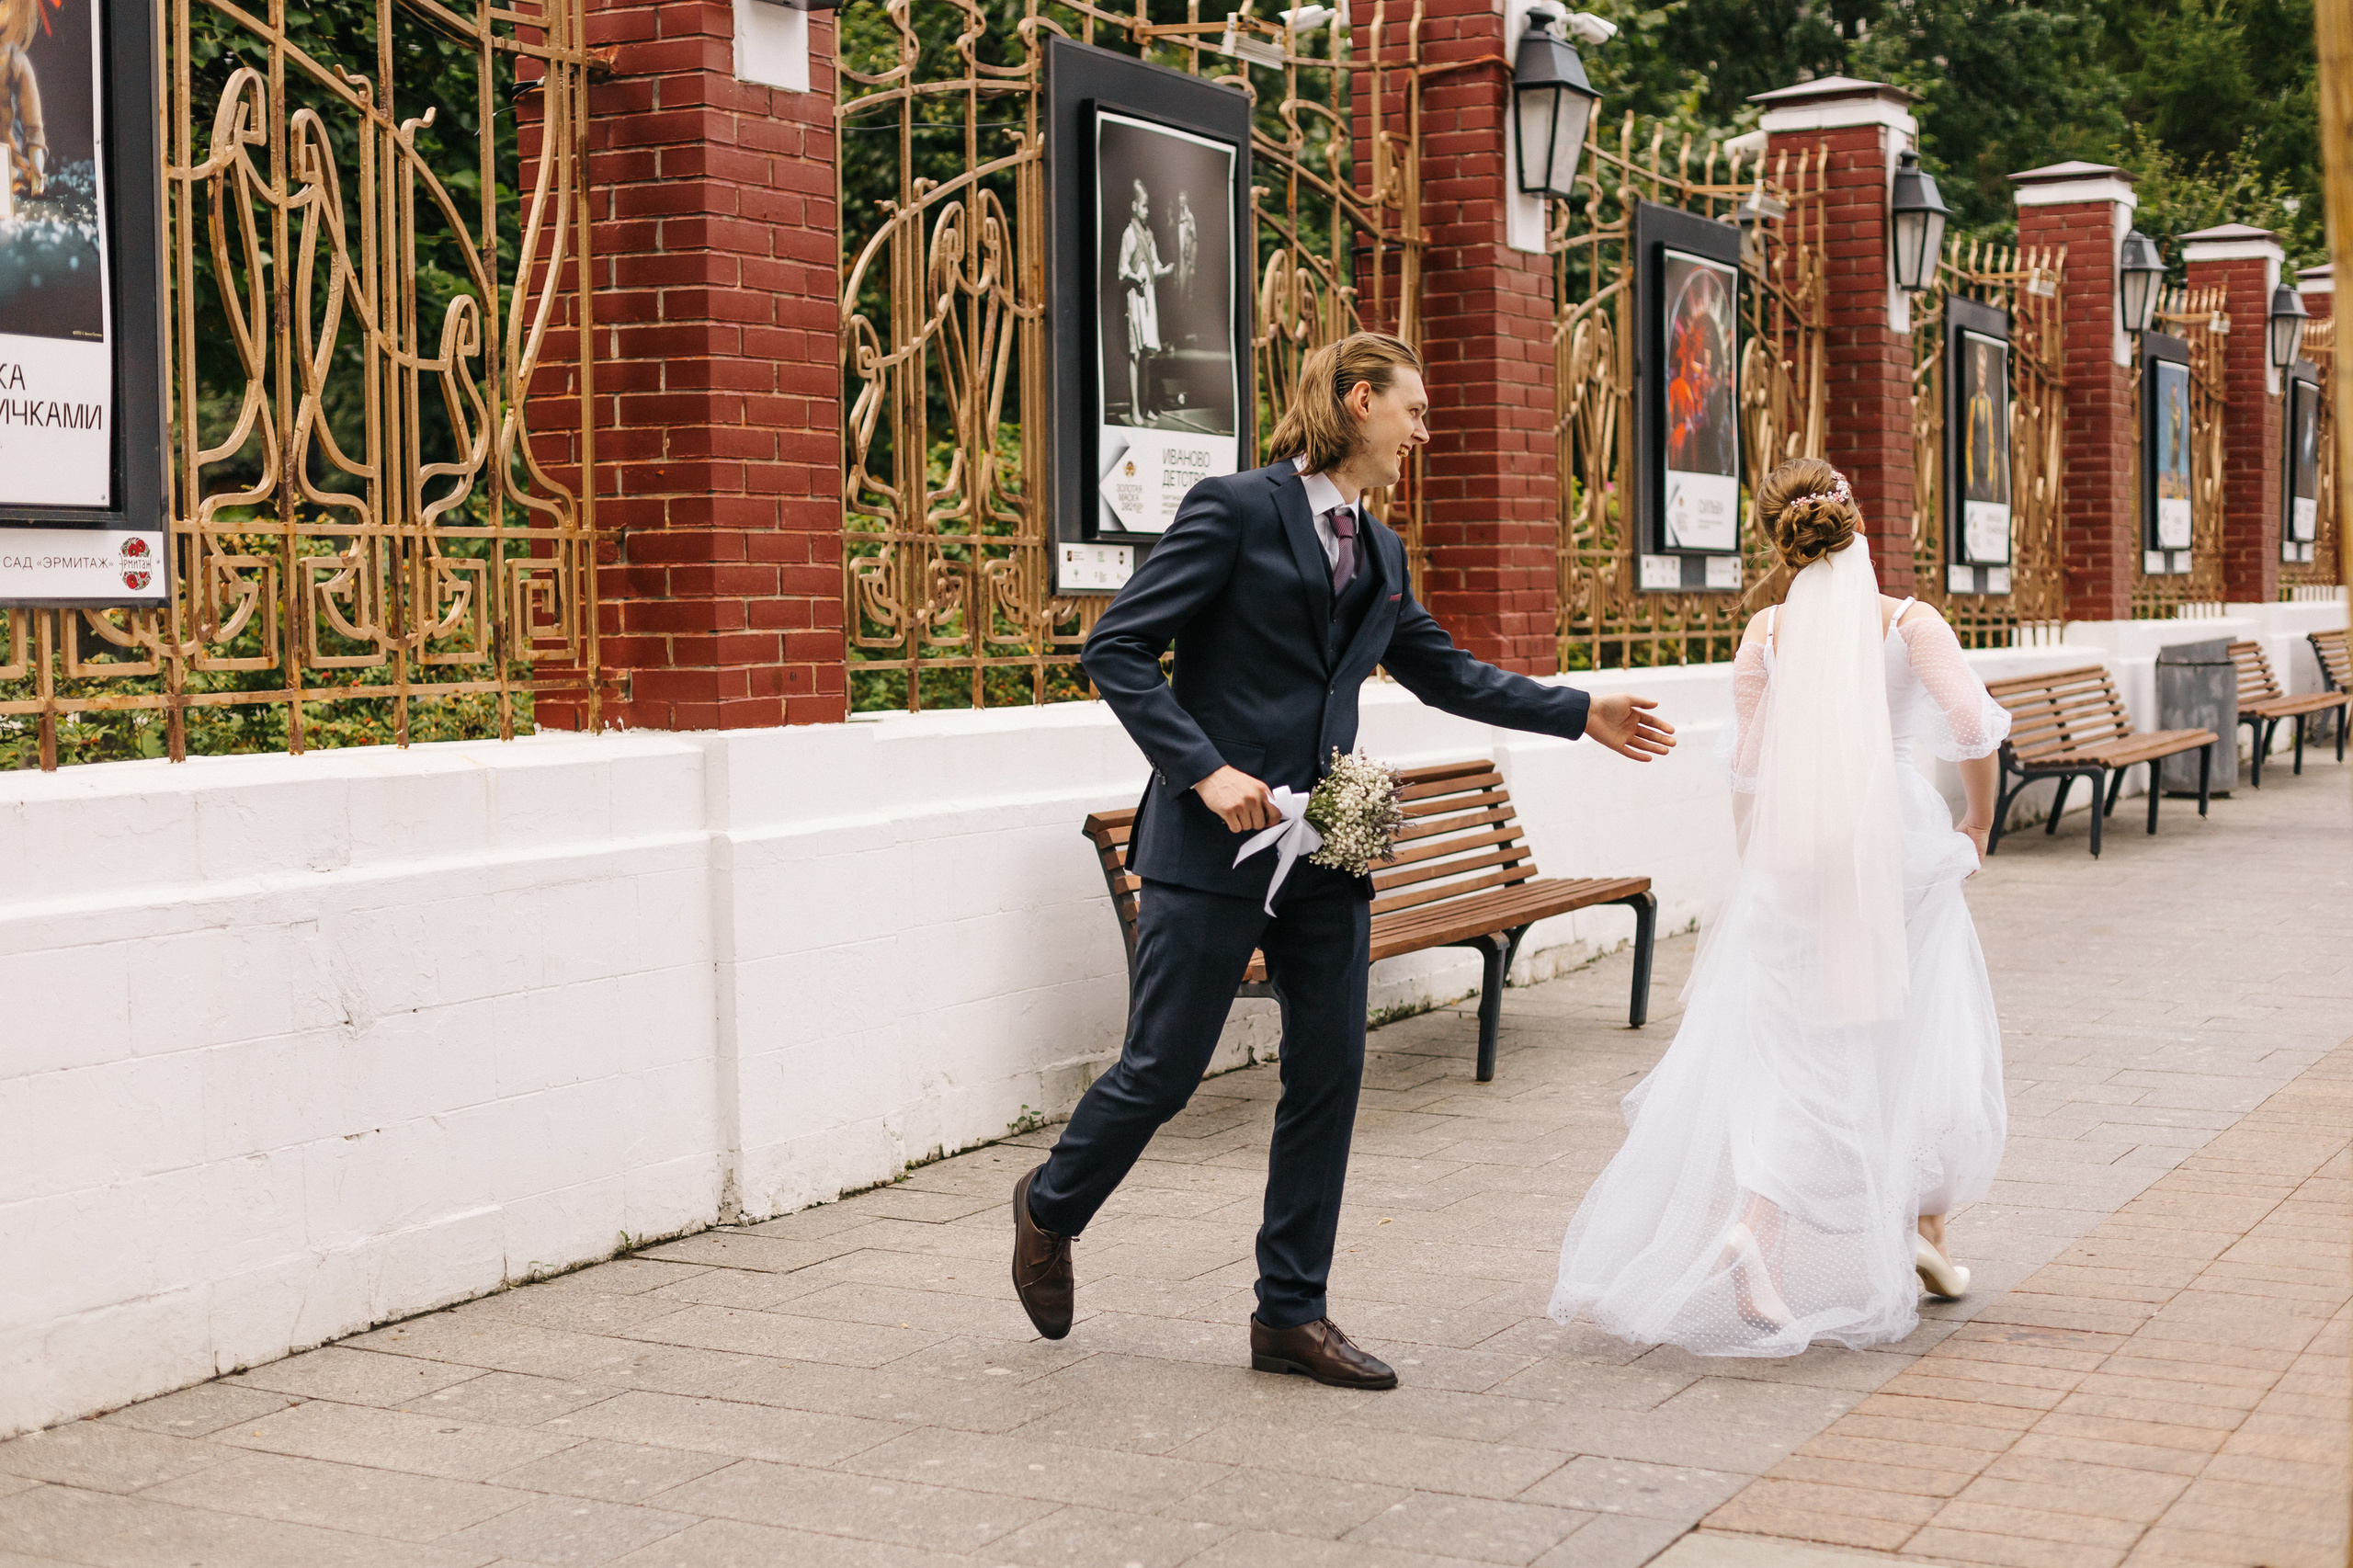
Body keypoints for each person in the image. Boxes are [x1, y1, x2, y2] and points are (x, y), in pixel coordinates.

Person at [1013, 331, 1678, 1389]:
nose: (1422, 432)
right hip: (1214, 838)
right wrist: (1202, 769)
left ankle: (1289, 1312)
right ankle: (1049, 1206)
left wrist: (1575, 708)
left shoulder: (1381, 549)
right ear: (1358, 401)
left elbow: (1444, 670)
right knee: (1164, 1069)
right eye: (1410, 411)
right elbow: (1117, 647)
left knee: (1330, 1070)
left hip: (1335, 836)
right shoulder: (1236, 509)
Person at [1550, 456, 2009, 1357]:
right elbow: (1971, 725)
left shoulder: (1765, 630)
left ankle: (1778, 1228)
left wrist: (1759, 869)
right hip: (1895, 846)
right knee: (1911, 1029)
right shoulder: (1909, 621)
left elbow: (1747, 769)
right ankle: (1891, 1224)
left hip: (1790, 851)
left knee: (1803, 1045)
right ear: (1855, 518)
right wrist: (1977, 822)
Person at [1117, 180, 1173, 421]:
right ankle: (1134, 409)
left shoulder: (1149, 235)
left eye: (1148, 207)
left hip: (1149, 298)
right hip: (1135, 299)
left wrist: (1165, 270)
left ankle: (1147, 406)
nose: (1147, 211)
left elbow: (1155, 264)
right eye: (1143, 206)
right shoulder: (1129, 234)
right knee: (1135, 354)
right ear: (1134, 207)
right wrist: (1134, 275)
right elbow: (1122, 269)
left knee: (1148, 354)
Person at [0, 0, 46, 203]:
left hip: (7, 156)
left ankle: (15, 175)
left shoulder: (15, 60)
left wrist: (37, 174)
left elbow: (34, 127)